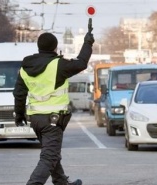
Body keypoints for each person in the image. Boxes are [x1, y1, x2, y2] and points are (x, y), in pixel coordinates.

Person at [13, 23, 94, 185]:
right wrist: (88, 43)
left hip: (35, 119)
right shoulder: (58, 65)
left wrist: (19, 114)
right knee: (49, 156)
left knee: (52, 153)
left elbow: (19, 94)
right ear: (55, 47)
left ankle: (61, 182)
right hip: (53, 120)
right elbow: (81, 63)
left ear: (38, 47)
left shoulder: (25, 68)